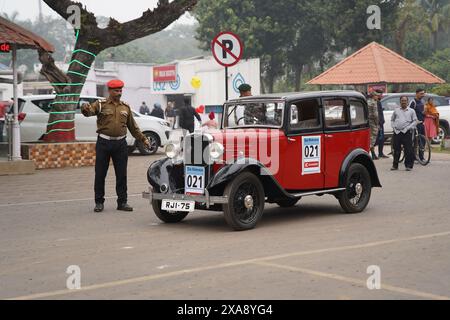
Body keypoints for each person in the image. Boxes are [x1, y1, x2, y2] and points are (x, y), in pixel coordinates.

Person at [81, 79, 150, 213]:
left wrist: (143, 139)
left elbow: (133, 127)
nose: (119, 93)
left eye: (120, 90)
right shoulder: (101, 104)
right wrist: (85, 108)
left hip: (120, 144)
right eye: (116, 91)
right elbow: (89, 112)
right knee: (100, 174)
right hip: (103, 143)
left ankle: (122, 202)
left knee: (121, 174)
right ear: (110, 91)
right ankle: (99, 202)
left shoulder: (125, 107)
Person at [391, 96, 419, 171]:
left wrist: (408, 128)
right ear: (400, 102)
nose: (403, 102)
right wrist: (393, 127)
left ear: (407, 101)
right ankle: (395, 165)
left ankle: (408, 166)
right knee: (396, 149)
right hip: (397, 132)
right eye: (402, 100)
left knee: (408, 150)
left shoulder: (411, 111)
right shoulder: (396, 110)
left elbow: (415, 121)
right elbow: (392, 120)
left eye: (405, 100)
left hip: (407, 132)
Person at [409, 89, 426, 160]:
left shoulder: (422, 101)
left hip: (421, 124)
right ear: (416, 94)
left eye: (423, 94)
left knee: (423, 140)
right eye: (421, 93)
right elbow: (409, 113)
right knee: (414, 141)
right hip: (415, 125)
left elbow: (422, 112)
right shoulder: (413, 102)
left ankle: (421, 157)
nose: (423, 95)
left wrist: (424, 113)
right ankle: (413, 157)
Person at [373, 90, 389, 158]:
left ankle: (380, 153)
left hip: (380, 123)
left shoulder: (378, 102)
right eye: (380, 94)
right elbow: (377, 114)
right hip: (378, 123)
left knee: (381, 139)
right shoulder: (376, 102)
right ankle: (373, 153)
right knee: (377, 139)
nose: (381, 96)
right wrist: (379, 123)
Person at [367, 91, 380, 160]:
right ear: (373, 96)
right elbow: (375, 115)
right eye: (376, 96)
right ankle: (368, 154)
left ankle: (373, 154)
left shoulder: (367, 102)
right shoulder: (373, 103)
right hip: (372, 122)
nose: (377, 97)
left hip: (367, 121)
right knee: (373, 138)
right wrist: (377, 123)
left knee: (370, 138)